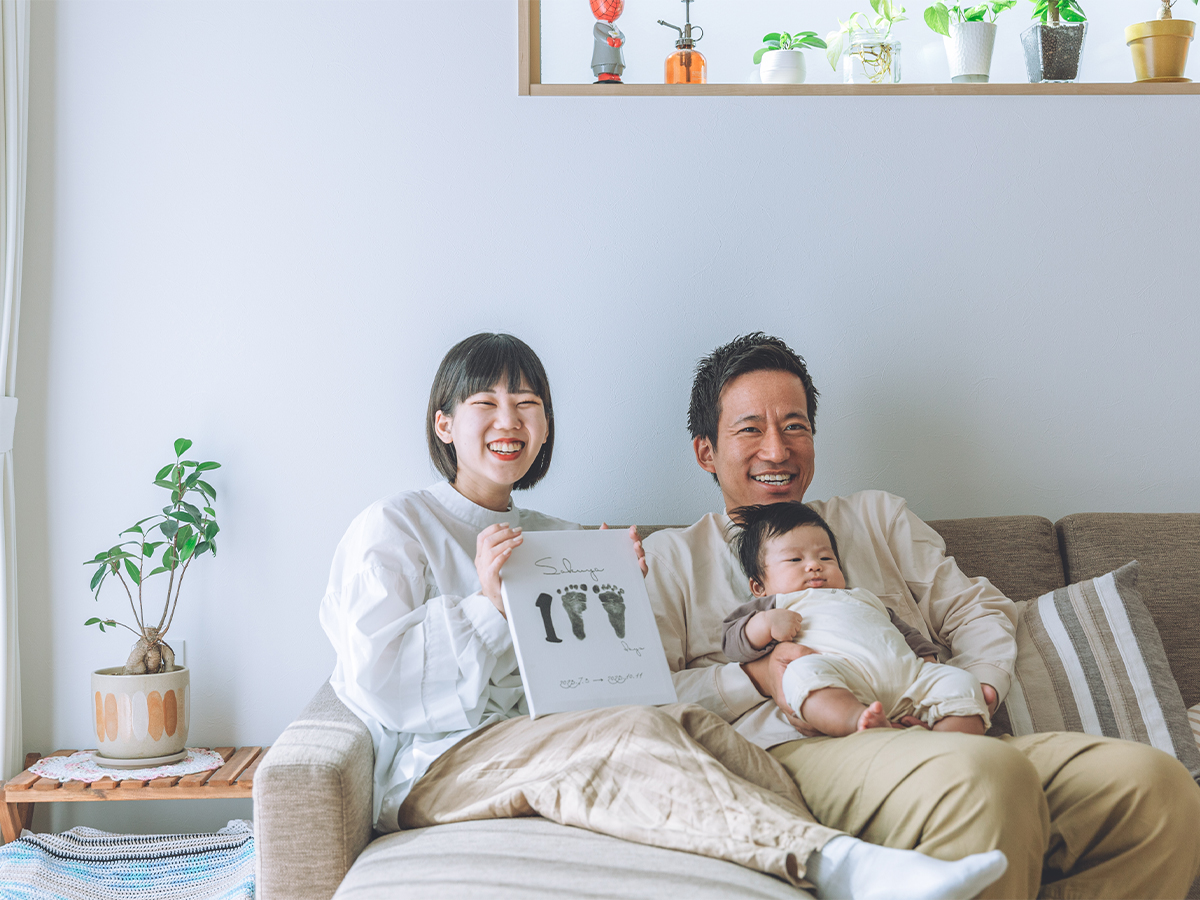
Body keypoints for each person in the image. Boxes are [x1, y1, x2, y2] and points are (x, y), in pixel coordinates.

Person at [319, 331, 1008, 900]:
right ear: (445, 423)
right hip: (443, 763)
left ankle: (857, 846)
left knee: (686, 727)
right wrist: (487, 606)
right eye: (485, 403)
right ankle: (840, 863)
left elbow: (610, 686)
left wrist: (616, 603)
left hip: (553, 732)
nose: (510, 421)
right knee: (626, 735)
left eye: (528, 403)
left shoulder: (557, 534)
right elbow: (381, 682)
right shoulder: (394, 526)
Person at [644, 332, 1200, 900]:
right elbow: (643, 696)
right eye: (749, 429)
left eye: (795, 425)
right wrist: (755, 675)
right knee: (984, 778)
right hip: (800, 754)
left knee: (1155, 786)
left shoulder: (877, 517)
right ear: (706, 451)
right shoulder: (671, 557)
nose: (777, 449)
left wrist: (976, 691)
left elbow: (976, 609)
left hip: (941, 726)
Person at [721, 502, 988, 737]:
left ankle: (949, 738)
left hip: (909, 678)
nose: (814, 565)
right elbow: (731, 640)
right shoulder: (774, 605)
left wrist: (929, 666)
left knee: (960, 682)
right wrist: (763, 625)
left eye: (825, 557)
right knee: (801, 676)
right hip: (842, 678)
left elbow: (910, 636)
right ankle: (857, 721)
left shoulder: (863, 597)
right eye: (794, 559)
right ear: (759, 586)